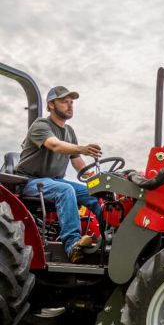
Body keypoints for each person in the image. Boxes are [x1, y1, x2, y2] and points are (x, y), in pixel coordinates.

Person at [15, 86, 103, 263]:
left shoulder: (69, 131)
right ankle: (72, 245)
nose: (69, 106)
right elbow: (55, 145)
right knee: (65, 190)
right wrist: (83, 148)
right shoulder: (41, 125)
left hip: (55, 180)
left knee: (96, 193)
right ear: (51, 105)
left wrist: (96, 180)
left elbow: (77, 162)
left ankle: (110, 238)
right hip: (31, 182)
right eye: (64, 101)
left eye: (71, 102)